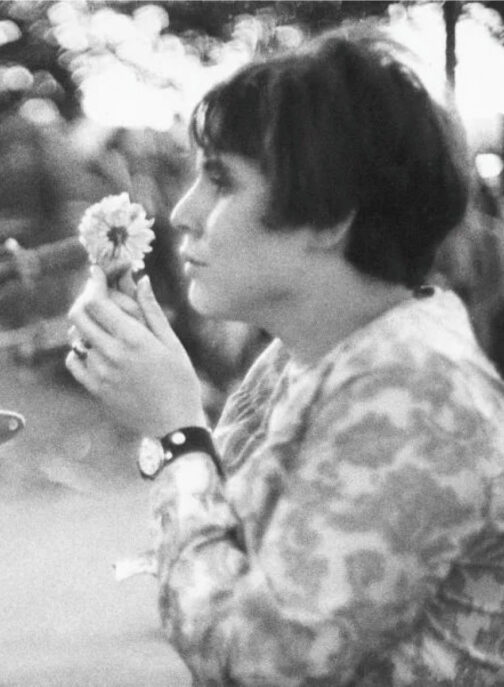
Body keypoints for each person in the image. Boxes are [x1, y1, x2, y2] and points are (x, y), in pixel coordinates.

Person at [66, 28, 504, 684]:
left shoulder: (415, 388)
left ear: (331, 216)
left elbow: (262, 662)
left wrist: (176, 434)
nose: (185, 212)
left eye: (220, 180)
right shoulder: (308, 355)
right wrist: (162, 397)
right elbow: (232, 553)